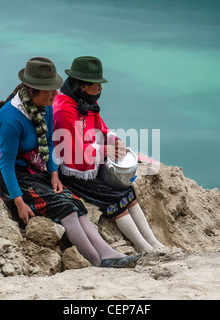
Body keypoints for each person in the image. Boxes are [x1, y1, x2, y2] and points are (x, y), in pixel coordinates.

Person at [0, 56, 141, 268]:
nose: (55, 94)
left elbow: (48, 142)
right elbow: (6, 164)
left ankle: (108, 253)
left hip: (33, 168)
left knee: (75, 201)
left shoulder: (46, 106)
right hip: (12, 176)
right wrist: (19, 203)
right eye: (49, 90)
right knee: (64, 207)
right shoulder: (11, 119)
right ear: (32, 91)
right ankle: (97, 261)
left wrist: (54, 174)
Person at [52, 56, 164, 252]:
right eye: (97, 85)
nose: (101, 90)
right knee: (114, 199)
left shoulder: (84, 102)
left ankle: (154, 243)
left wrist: (115, 141)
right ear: (83, 86)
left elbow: (101, 129)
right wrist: (104, 151)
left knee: (128, 191)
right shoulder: (64, 109)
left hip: (90, 160)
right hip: (71, 170)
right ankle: (144, 247)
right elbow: (73, 150)